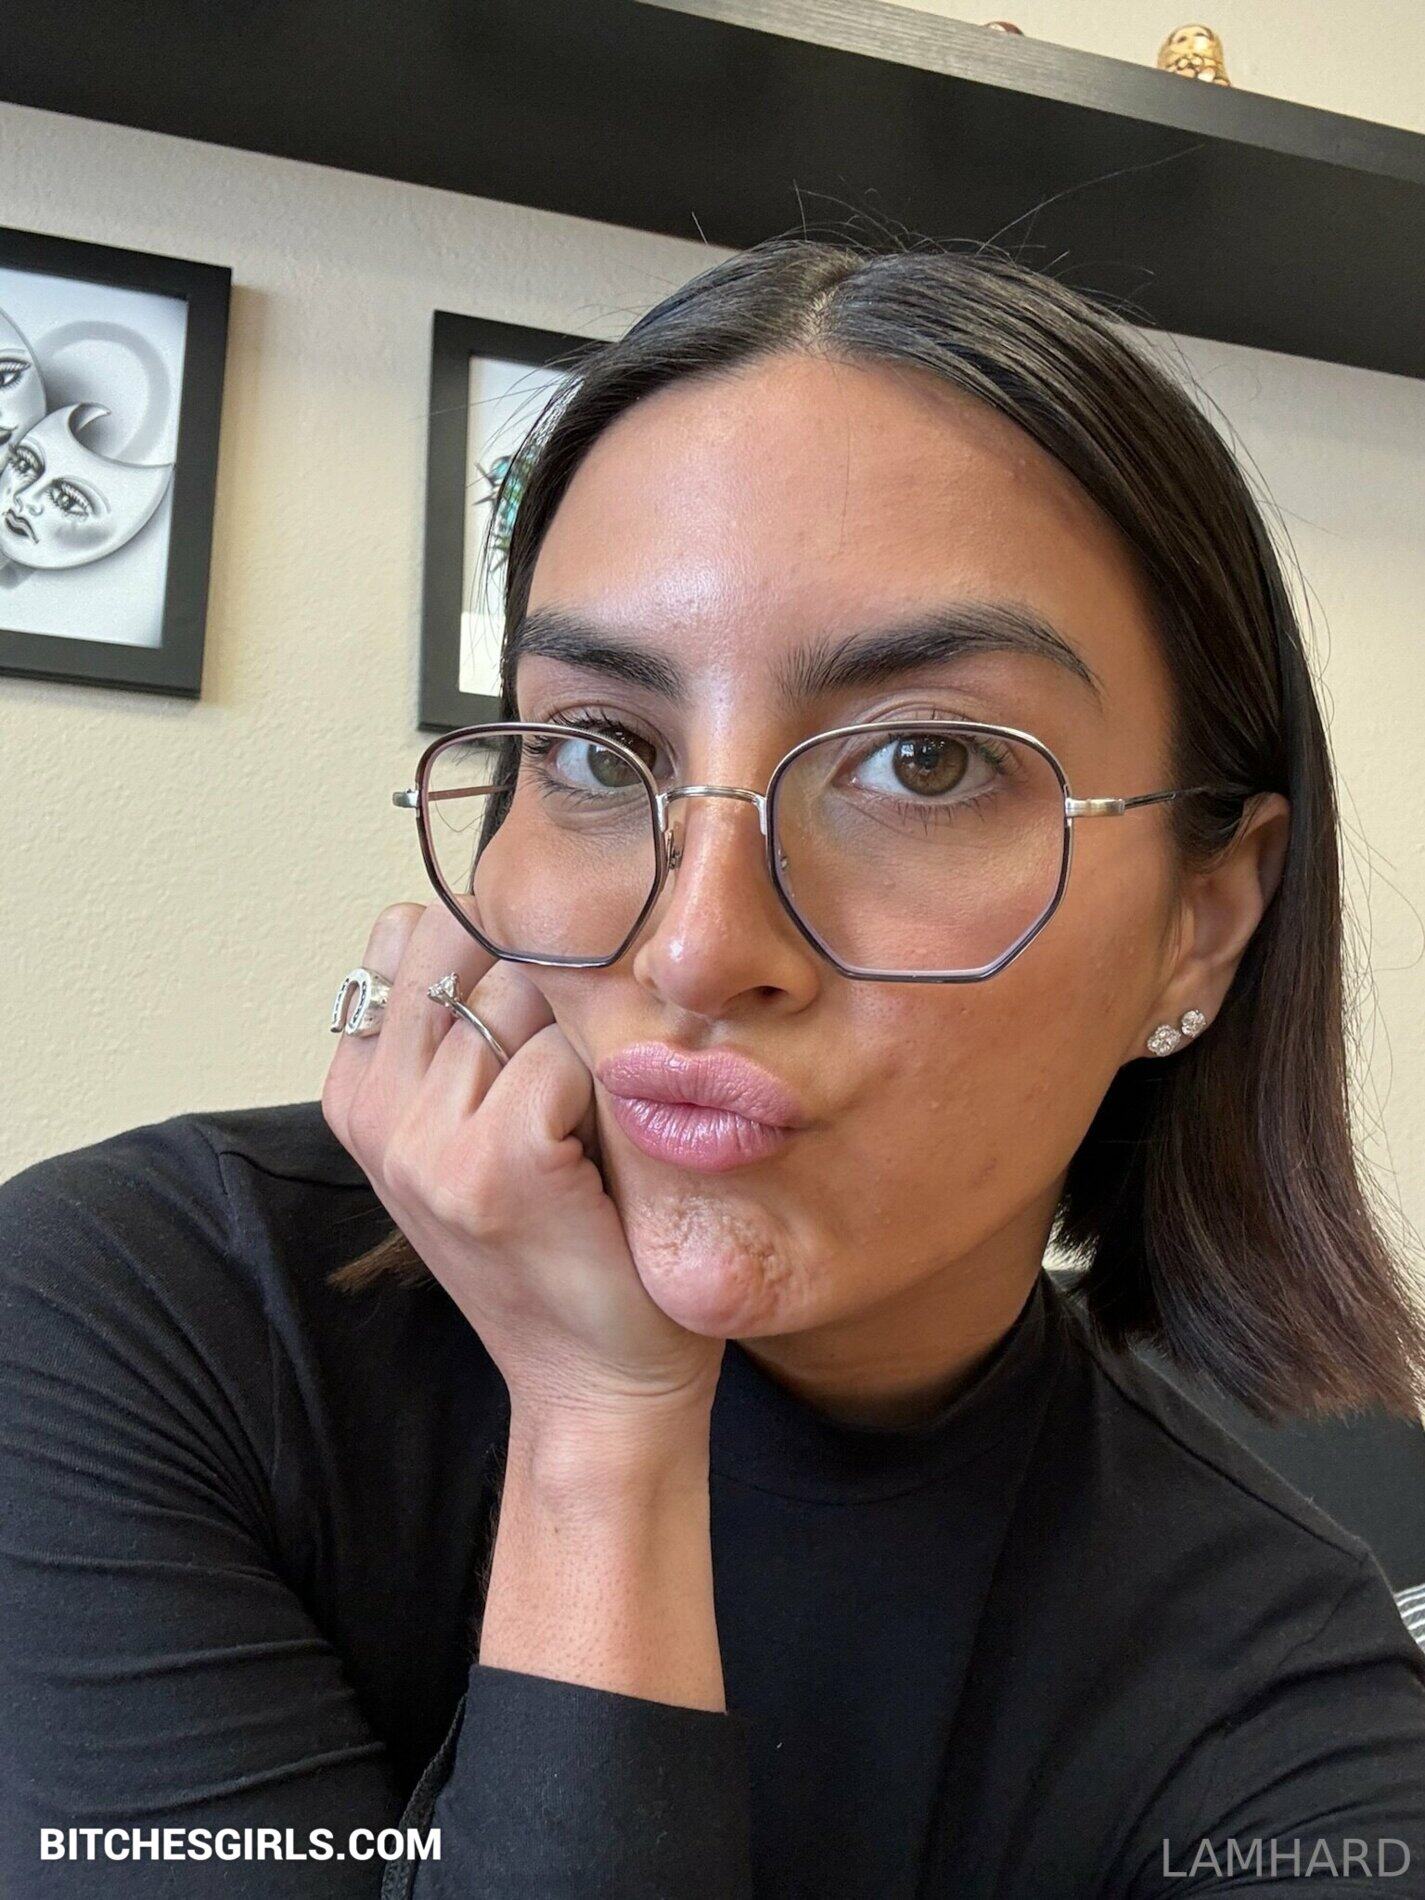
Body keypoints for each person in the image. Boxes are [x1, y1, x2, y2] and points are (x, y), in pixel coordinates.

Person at [3, 233, 1425, 1899]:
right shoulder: (143, 1314)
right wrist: (603, 1432)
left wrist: (605, 1419)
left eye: (926, 759)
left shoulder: (1283, 1698)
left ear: (1200, 921)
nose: (694, 946)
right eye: (597, 751)